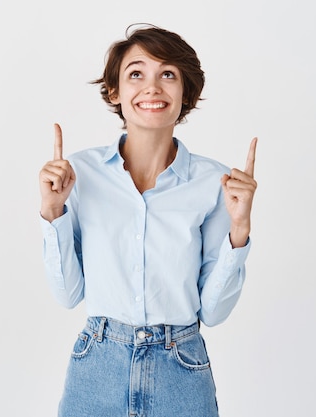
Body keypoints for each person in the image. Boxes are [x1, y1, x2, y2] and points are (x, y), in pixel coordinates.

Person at [38, 24, 257, 417]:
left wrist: (238, 231)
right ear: (114, 91)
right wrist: (52, 212)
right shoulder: (78, 174)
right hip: (98, 366)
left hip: (181, 368)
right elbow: (68, 294)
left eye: (168, 74)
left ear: (185, 93)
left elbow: (214, 312)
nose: (152, 88)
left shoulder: (216, 183)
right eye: (136, 73)